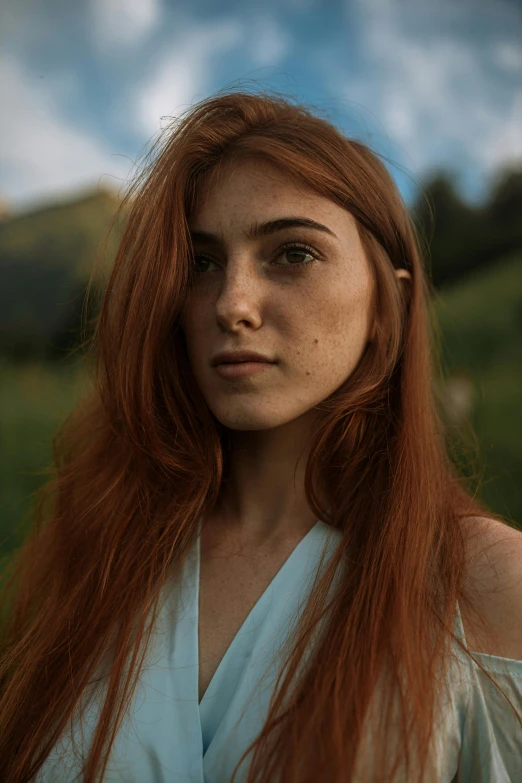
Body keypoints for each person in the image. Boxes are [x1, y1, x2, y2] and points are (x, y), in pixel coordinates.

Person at [1, 89, 521, 783]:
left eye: (293, 253)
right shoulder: (101, 550)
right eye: (201, 263)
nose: (232, 303)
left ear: (387, 305)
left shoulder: (486, 584)